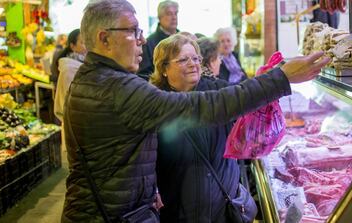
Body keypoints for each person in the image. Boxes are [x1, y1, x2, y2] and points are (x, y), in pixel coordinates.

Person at [62, 0, 330, 222]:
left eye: (196, 59)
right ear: (104, 38)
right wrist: (280, 78)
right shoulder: (115, 88)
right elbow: (203, 107)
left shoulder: (96, 78)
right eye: (133, 31)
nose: (141, 41)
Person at [151, 34, 244, 222]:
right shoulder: (155, 104)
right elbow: (144, 156)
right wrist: (152, 189)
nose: (193, 64)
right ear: (164, 69)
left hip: (223, 205)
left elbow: (247, 102)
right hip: (179, 208)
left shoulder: (217, 91)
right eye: (184, 60)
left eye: (196, 58)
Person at [137, 0, 179, 80]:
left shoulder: (185, 40)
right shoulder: (148, 43)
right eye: (169, 14)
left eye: (175, 13)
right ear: (160, 17)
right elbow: (143, 74)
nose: (174, 17)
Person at [54, 28, 87, 122]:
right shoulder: (69, 69)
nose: (87, 46)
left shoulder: (86, 63)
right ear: (72, 46)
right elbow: (70, 105)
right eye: (83, 42)